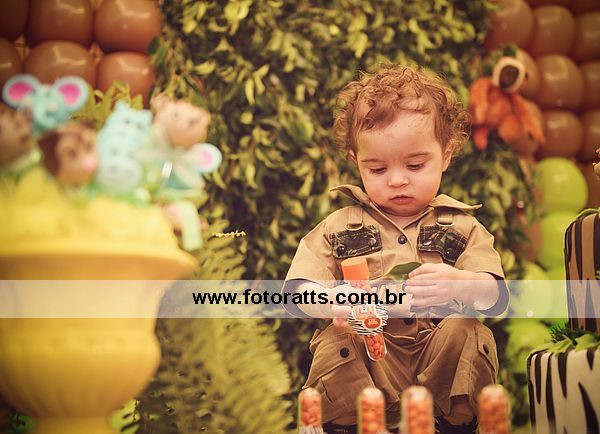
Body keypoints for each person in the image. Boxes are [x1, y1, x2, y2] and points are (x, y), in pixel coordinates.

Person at [283, 65, 509, 434]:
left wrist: (462, 284)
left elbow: (495, 295)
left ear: (446, 155)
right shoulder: (339, 226)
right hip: (369, 367)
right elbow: (297, 291)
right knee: (340, 337)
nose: (398, 180)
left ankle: (456, 424)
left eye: (415, 165)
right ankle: (347, 426)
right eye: (377, 169)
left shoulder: (462, 227)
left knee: (466, 329)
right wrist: (331, 300)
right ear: (356, 162)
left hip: (438, 362)